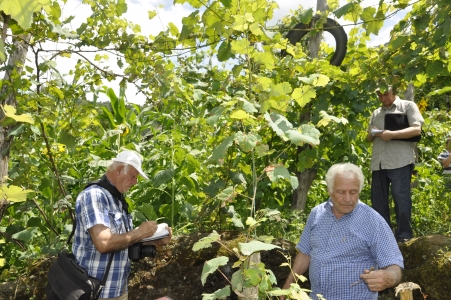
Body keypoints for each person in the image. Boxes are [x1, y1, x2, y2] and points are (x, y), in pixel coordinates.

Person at [280, 163, 403, 300]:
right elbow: (305, 253)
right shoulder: (317, 214)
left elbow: (394, 266)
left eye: (353, 192)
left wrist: (388, 277)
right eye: (341, 192)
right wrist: (288, 286)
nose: (347, 199)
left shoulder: (372, 221)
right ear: (330, 190)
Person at [72, 150, 172, 300]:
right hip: (96, 292)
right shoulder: (95, 195)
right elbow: (104, 243)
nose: (135, 182)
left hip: (117, 290)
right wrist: (140, 232)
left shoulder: (117, 200)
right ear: (119, 170)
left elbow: (123, 242)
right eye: (133, 176)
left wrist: (153, 241)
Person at [366, 86, 424, 243]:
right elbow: (368, 139)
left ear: (394, 92)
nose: (383, 98)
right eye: (379, 95)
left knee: (401, 198)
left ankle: (404, 236)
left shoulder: (407, 106)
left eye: (386, 94)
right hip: (378, 163)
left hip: (400, 161)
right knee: (378, 202)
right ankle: (384, 238)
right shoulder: (376, 113)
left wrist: (391, 135)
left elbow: (416, 130)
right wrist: (371, 132)